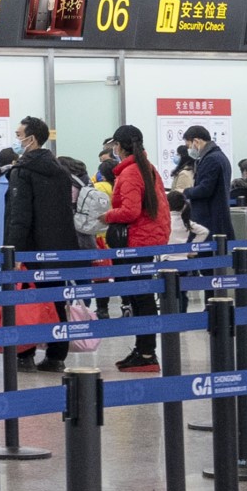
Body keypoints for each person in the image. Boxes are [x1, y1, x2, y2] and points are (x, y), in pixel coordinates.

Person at [2, 116, 81, 372]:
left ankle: (24, 354)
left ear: (31, 139)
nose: (16, 140)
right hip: (58, 248)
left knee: (26, 299)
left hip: (31, 249)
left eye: (18, 135)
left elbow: (19, 216)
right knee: (55, 300)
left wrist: (12, 253)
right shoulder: (60, 170)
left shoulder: (22, 171)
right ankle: (56, 356)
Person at [102, 125, 170, 371]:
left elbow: (130, 211)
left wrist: (107, 216)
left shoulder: (131, 172)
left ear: (119, 146)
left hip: (136, 241)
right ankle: (143, 350)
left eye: (114, 145)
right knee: (141, 296)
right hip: (148, 238)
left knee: (141, 297)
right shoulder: (146, 168)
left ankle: (147, 352)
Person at [181, 127, 232, 242]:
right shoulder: (220, 156)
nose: (189, 150)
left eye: (188, 145)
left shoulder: (211, 159)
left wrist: (185, 192)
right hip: (217, 216)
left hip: (209, 218)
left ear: (196, 141)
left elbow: (205, 189)